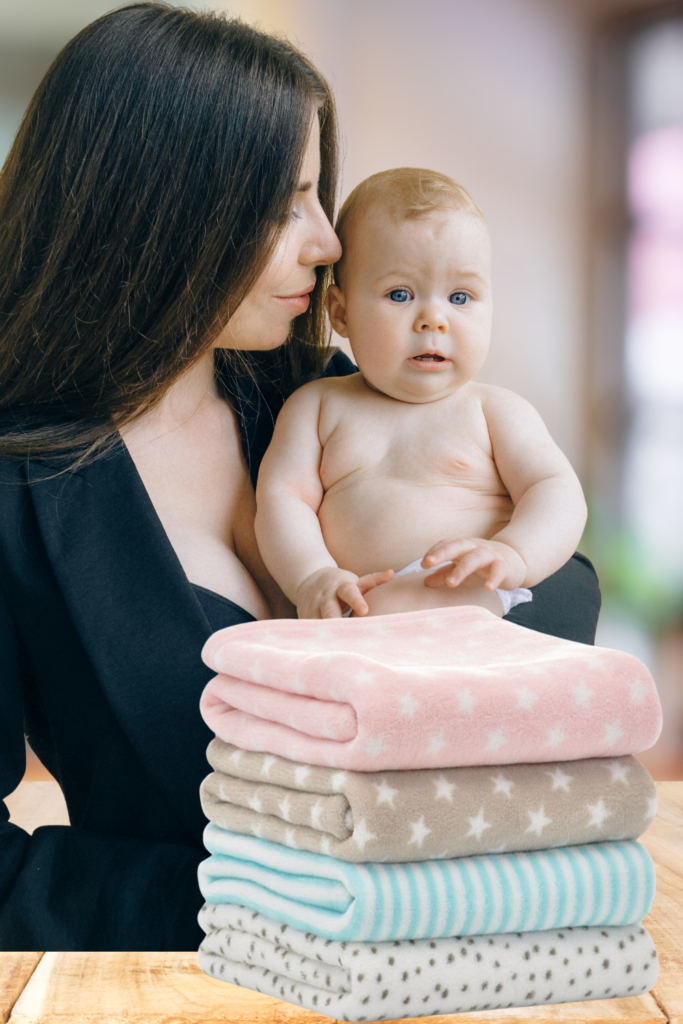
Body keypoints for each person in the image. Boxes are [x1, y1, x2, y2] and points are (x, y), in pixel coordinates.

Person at [0, 6, 599, 953]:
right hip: (193, 983)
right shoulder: (19, 487)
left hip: (475, 946)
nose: (327, 243)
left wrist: (454, 588)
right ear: (161, 211)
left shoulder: (336, 397)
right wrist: (274, 902)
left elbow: (563, 594)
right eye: (287, 203)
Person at [256, 168, 590, 622]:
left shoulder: (494, 411)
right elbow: (282, 500)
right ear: (341, 312)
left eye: (459, 297)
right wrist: (312, 575)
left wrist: (515, 554)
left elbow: (556, 490)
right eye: (400, 294)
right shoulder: (317, 407)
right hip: (360, 613)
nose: (434, 319)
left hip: (475, 605)